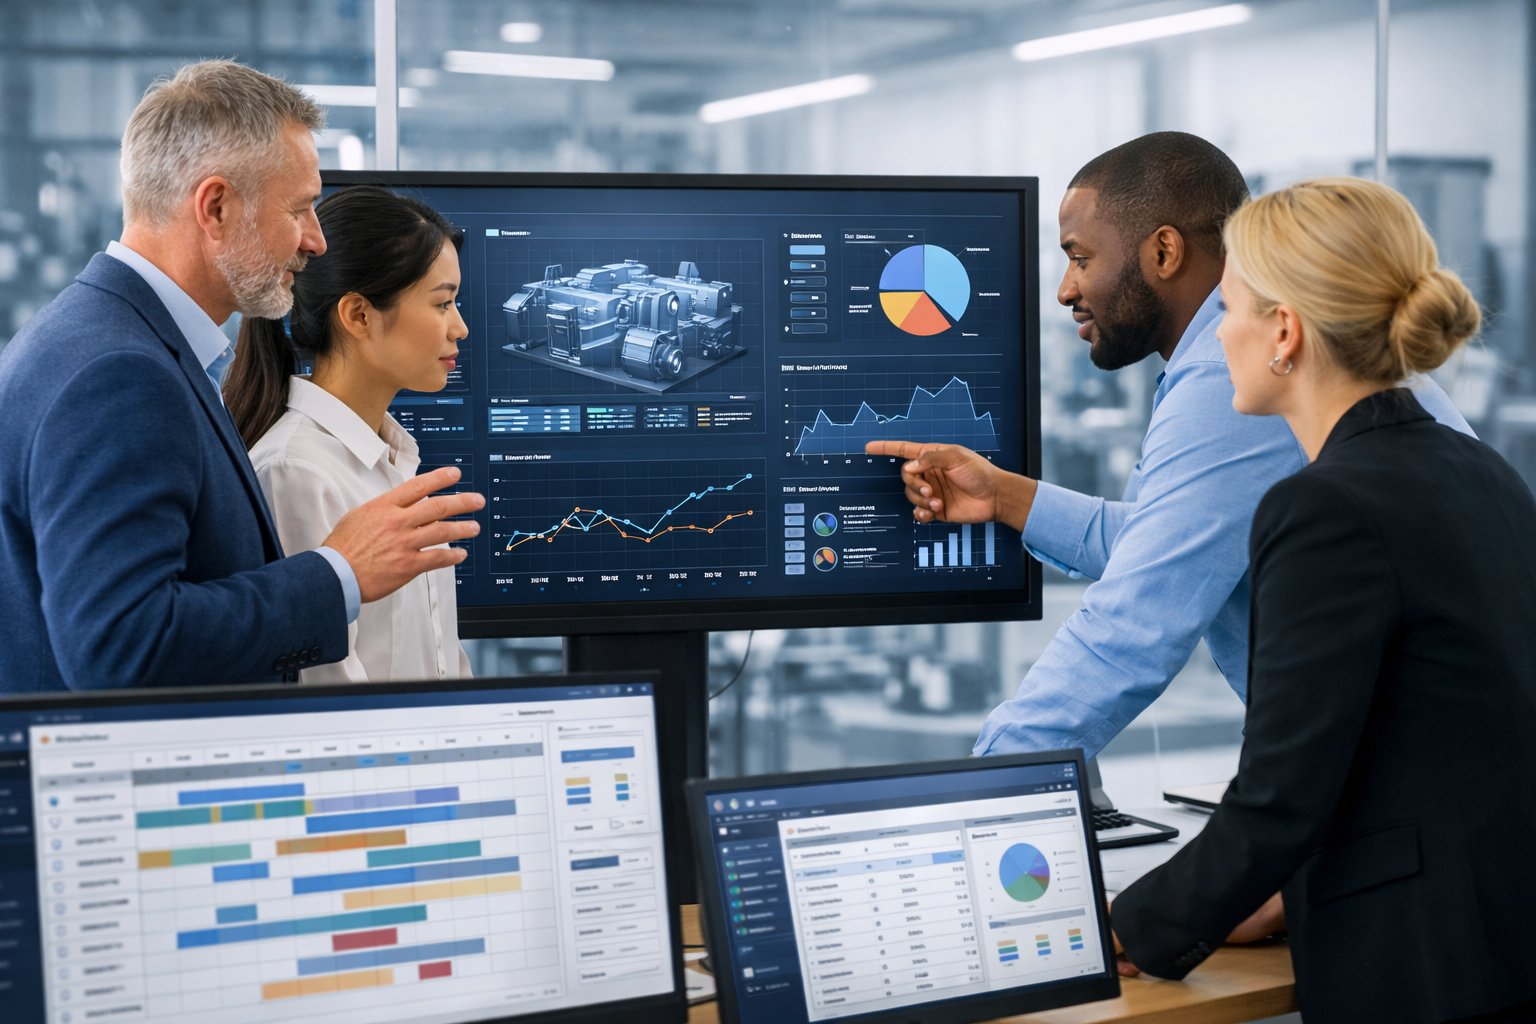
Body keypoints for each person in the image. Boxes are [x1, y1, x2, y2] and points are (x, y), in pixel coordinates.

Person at [867, 132, 1470, 759]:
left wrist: (986, 787)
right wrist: (1004, 495)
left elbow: (1133, 625)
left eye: (1079, 258)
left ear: (1164, 250)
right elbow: (1173, 545)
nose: (1065, 289)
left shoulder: (1230, 376)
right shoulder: (1266, 364)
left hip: (1416, 793)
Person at [1110, 177, 1536, 1022]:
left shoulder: (1324, 509)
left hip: (1425, 970)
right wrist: (1277, 890)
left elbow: (1280, 796)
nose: (1217, 337)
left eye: (1227, 310)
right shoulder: (1480, 471)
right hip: (1503, 934)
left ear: (1285, 333)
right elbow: (1425, 745)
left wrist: (1134, 924)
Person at [0, 61, 483, 694]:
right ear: (217, 206)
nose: (316, 242)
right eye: (301, 209)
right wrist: (339, 571)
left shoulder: (111, 338)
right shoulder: (119, 374)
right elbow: (121, 647)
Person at [225, 186, 472, 682]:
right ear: (359, 315)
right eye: (442, 304)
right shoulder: (296, 470)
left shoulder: (393, 458)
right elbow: (325, 690)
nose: (460, 328)